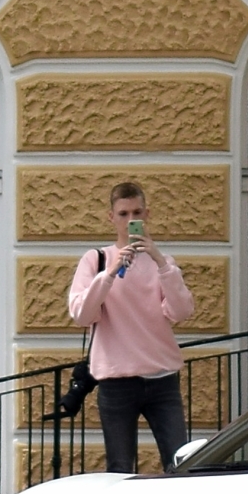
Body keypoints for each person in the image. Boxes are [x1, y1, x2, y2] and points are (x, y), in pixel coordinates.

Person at [68, 181, 195, 472]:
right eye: (123, 214)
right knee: (120, 468)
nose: (130, 220)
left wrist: (161, 261)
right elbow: (82, 315)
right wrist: (110, 273)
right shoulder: (96, 259)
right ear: (111, 218)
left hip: (162, 378)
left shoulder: (163, 263)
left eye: (136, 213)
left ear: (146, 215)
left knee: (180, 466)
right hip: (116, 382)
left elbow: (181, 311)